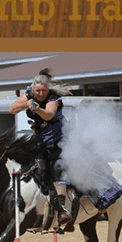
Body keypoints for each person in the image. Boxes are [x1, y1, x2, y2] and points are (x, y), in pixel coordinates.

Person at [8, 68, 73, 225]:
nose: (41, 93)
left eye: (44, 90)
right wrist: (26, 103)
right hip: (40, 137)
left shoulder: (53, 97)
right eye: (38, 90)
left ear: (48, 89)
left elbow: (49, 115)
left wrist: (36, 108)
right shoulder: (29, 94)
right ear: (33, 89)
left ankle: (62, 208)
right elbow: (12, 109)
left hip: (59, 136)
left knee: (57, 167)